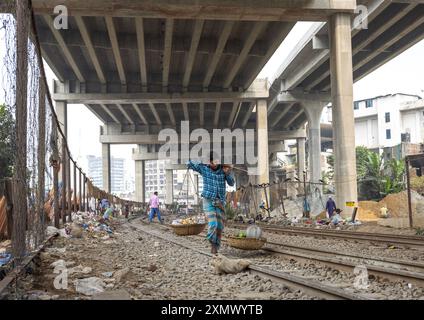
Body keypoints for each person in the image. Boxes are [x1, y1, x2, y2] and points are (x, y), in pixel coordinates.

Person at [187, 152, 235, 255]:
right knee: (213, 223)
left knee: (220, 226)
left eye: (217, 161)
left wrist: (227, 173)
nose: (216, 164)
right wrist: (201, 162)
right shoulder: (204, 168)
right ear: (209, 162)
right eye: (214, 162)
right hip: (208, 200)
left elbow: (231, 183)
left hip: (220, 202)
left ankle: (215, 246)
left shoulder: (224, 170)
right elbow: (189, 163)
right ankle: (211, 241)